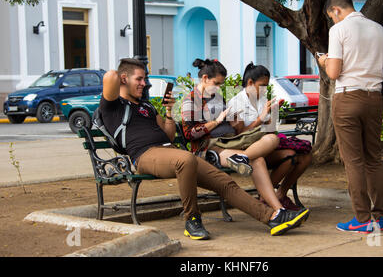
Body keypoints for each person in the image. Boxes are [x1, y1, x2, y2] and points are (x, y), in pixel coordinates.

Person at [99, 58, 309, 239]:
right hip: (145, 156)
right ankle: (192, 220)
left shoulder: (146, 106)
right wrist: (123, 73)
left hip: (170, 150)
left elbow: (169, 134)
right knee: (186, 159)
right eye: (140, 79)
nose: (145, 84)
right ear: (124, 79)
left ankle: (273, 217)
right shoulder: (113, 105)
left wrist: (169, 113)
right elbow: (110, 76)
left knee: (225, 182)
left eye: (145, 79)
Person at [181, 58, 310, 221]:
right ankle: (277, 209)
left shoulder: (218, 98)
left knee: (269, 143)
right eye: (217, 83)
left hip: (232, 141)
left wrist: (237, 122)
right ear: (205, 79)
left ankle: (279, 211)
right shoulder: (191, 100)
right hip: (210, 147)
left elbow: (239, 131)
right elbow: (189, 134)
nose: (219, 88)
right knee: (260, 158)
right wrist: (216, 122)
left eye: (221, 84)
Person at [318, 0, 383, 233]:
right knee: (373, 158)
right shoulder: (380, 30)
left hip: (348, 97)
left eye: (332, 16)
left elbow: (334, 73)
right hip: (374, 98)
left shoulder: (338, 30)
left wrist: (324, 61)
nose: (333, 21)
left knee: (353, 160)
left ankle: (361, 219)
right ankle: (382, 217)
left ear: (336, 10)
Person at [227, 63, 312, 210]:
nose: (265, 89)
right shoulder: (236, 102)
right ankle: (266, 197)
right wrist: (260, 119)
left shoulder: (263, 100)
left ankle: (280, 194)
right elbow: (239, 135)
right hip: (250, 150)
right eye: (262, 85)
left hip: (267, 146)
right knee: (290, 156)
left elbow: (271, 132)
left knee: (305, 157)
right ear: (250, 83)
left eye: (266, 85)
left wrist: (271, 118)